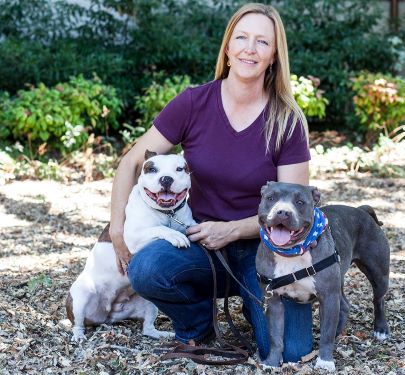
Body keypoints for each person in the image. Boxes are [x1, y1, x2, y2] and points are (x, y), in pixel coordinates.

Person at [109, 2, 313, 362]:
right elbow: (130, 164)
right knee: (147, 268)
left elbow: (295, 208)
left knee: (292, 352)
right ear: (228, 47)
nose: (250, 48)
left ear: (274, 56)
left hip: (266, 247)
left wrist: (233, 230)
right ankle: (199, 325)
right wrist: (116, 231)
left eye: (262, 42)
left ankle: (259, 300)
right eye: (242, 38)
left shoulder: (287, 120)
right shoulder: (193, 103)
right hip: (199, 242)